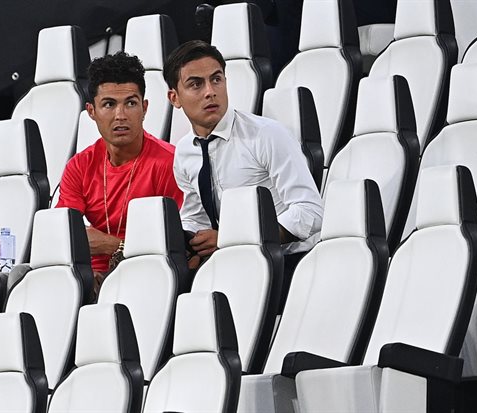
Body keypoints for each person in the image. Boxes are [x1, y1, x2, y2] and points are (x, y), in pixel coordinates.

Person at [164, 40, 323, 270]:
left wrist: (230, 237)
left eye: (216, 79)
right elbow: (196, 217)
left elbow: (310, 211)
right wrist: (183, 238)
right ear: (175, 98)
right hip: (232, 262)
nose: (210, 92)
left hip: (290, 261)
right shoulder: (185, 151)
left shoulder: (267, 134)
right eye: (196, 84)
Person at [57, 51, 184, 295]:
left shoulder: (169, 162)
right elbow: (63, 236)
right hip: (90, 277)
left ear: (144, 108)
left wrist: (112, 246)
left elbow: (175, 247)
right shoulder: (79, 166)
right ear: (91, 111)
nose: (121, 115)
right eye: (109, 104)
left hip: (147, 273)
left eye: (131, 103)